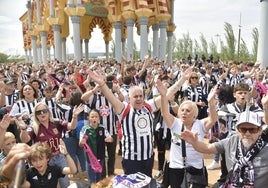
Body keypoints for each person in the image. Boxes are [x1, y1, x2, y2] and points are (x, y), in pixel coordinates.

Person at [86, 67, 191, 177]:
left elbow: (168, 94)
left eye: (141, 96)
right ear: (129, 98)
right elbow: (111, 97)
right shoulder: (123, 109)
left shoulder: (148, 106)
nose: (139, 99)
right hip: (131, 160)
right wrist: (102, 84)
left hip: (148, 158)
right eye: (135, 96)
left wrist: (182, 79)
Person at [156, 79, 218, 188]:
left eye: (188, 111)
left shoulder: (200, 124)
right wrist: (163, 96)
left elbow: (213, 119)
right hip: (176, 167)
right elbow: (164, 112)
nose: (184, 112)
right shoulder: (175, 123)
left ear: (194, 113)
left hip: (195, 168)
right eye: (182, 110)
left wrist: (211, 103)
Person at [181, 110, 268, 187]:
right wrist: (194, 142)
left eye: (253, 130)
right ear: (237, 130)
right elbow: (207, 148)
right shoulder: (231, 141)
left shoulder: (266, 150)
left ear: (260, 131)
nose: (248, 133)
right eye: (243, 129)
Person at [18, 102, 84, 188]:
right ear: (36, 115)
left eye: (44, 111)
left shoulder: (56, 122)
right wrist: (23, 129)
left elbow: (71, 126)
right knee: (47, 184)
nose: (42, 113)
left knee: (65, 183)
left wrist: (74, 116)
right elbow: (25, 139)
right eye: (38, 112)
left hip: (59, 156)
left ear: (49, 112)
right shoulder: (34, 126)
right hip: (44, 160)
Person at [79, 109, 113, 184]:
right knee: (91, 180)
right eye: (92, 117)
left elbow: (110, 138)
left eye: (96, 117)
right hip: (90, 159)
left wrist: (109, 139)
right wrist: (82, 142)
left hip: (101, 157)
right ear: (88, 118)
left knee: (99, 178)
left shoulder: (102, 128)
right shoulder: (85, 129)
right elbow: (80, 144)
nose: (94, 118)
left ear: (99, 118)